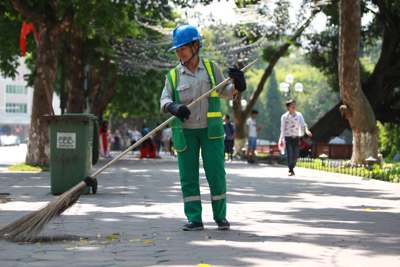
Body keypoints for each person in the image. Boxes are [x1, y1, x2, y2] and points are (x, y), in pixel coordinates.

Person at [160, 24, 246, 231]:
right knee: (188, 175)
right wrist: (173, 106)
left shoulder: (210, 68)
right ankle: (195, 218)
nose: (180, 53)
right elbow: (164, 99)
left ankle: (220, 216)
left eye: (183, 49)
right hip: (185, 132)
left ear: (195, 46)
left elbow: (225, 92)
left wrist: (238, 85)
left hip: (211, 130)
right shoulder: (173, 76)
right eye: (177, 50)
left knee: (216, 173)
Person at [279, 99, 312, 176]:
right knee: (289, 153)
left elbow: (304, 124)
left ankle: (292, 166)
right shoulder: (284, 116)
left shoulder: (299, 115)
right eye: (292, 105)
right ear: (288, 107)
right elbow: (282, 128)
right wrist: (281, 139)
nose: (294, 106)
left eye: (294, 104)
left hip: (296, 137)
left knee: (296, 154)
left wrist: (307, 131)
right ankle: (290, 169)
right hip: (288, 138)